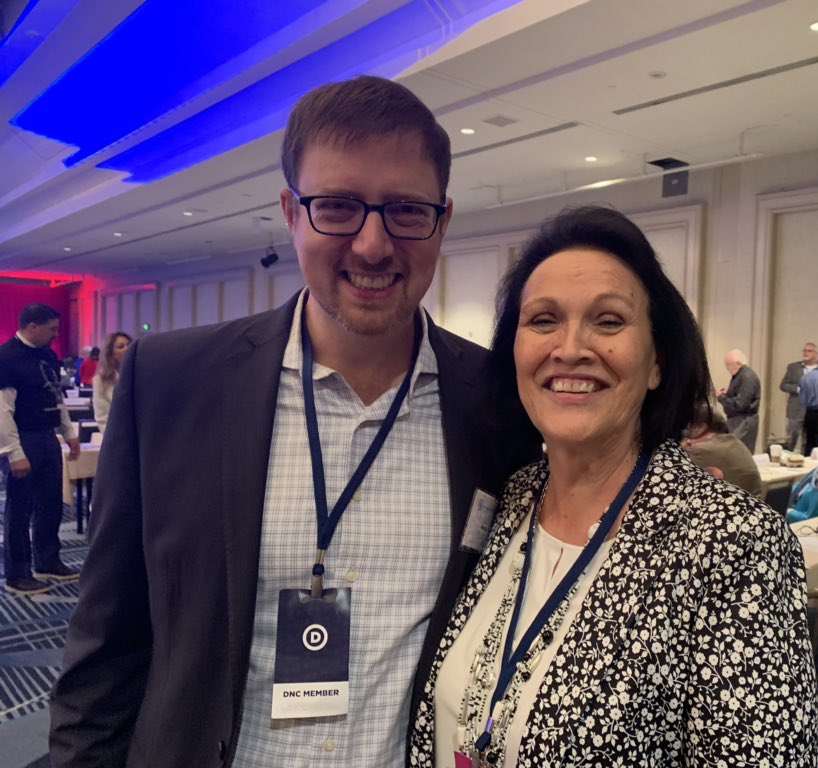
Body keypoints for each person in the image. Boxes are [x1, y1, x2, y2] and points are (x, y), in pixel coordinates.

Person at [50, 76, 535, 768]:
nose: (373, 245)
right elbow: (106, 647)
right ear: (290, 212)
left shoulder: (497, 402)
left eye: (405, 210)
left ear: (443, 219)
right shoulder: (171, 383)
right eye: (337, 207)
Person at [410, 206, 817, 767]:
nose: (570, 348)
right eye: (543, 320)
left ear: (656, 362)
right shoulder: (510, 500)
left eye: (608, 321)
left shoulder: (731, 543)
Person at [0, 303, 81, 596]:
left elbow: (56, 395)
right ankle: (17, 574)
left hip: (48, 437)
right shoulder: (6, 357)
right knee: (20, 509)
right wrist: (14, 453)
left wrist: (68, 433)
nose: (56, 334)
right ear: (33, 326)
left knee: (50, 504)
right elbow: (2, 411)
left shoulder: (48, 355)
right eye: (52, 329)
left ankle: (48, 561)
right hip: (22, 438)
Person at [682, 405, 763, 496]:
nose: (687, 439)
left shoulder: (700, 450)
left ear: (701, 429)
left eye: (687, 430)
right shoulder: (736, 443)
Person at [716, 348, 761, 452]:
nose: (727, 369)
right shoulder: (741, 375)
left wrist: (721, 397)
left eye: (728, 365)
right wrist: (728, 394)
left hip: (743, 421)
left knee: (738, 452)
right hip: (739, 420)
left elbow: (740, 404)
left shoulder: (747, 377)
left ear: (738, 364)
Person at [780, 341, 818, 452]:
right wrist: (798, 389)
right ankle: (787, 456)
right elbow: (783, 385)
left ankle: (805, 458)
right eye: (804, 351)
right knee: (791, 438)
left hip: (813, 410)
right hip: (796, 409)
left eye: (809, 351)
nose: (806, 353)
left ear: (815, 354)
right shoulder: (793, 367)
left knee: (808, 440)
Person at [92, 331, 132, 431]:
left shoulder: (142, 375)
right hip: (117, 435)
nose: (127, 349)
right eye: (120, 347)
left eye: (129, 345)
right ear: (110, 353)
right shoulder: (101, 380)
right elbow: (102, 418)